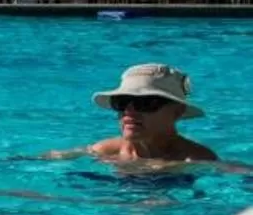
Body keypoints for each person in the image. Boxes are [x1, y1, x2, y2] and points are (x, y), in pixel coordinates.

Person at [46, 64, 223, 166]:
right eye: (122, 102)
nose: (129, 112)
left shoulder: (195, 160)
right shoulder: (106, 150)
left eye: (145, 103)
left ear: (177, 112)